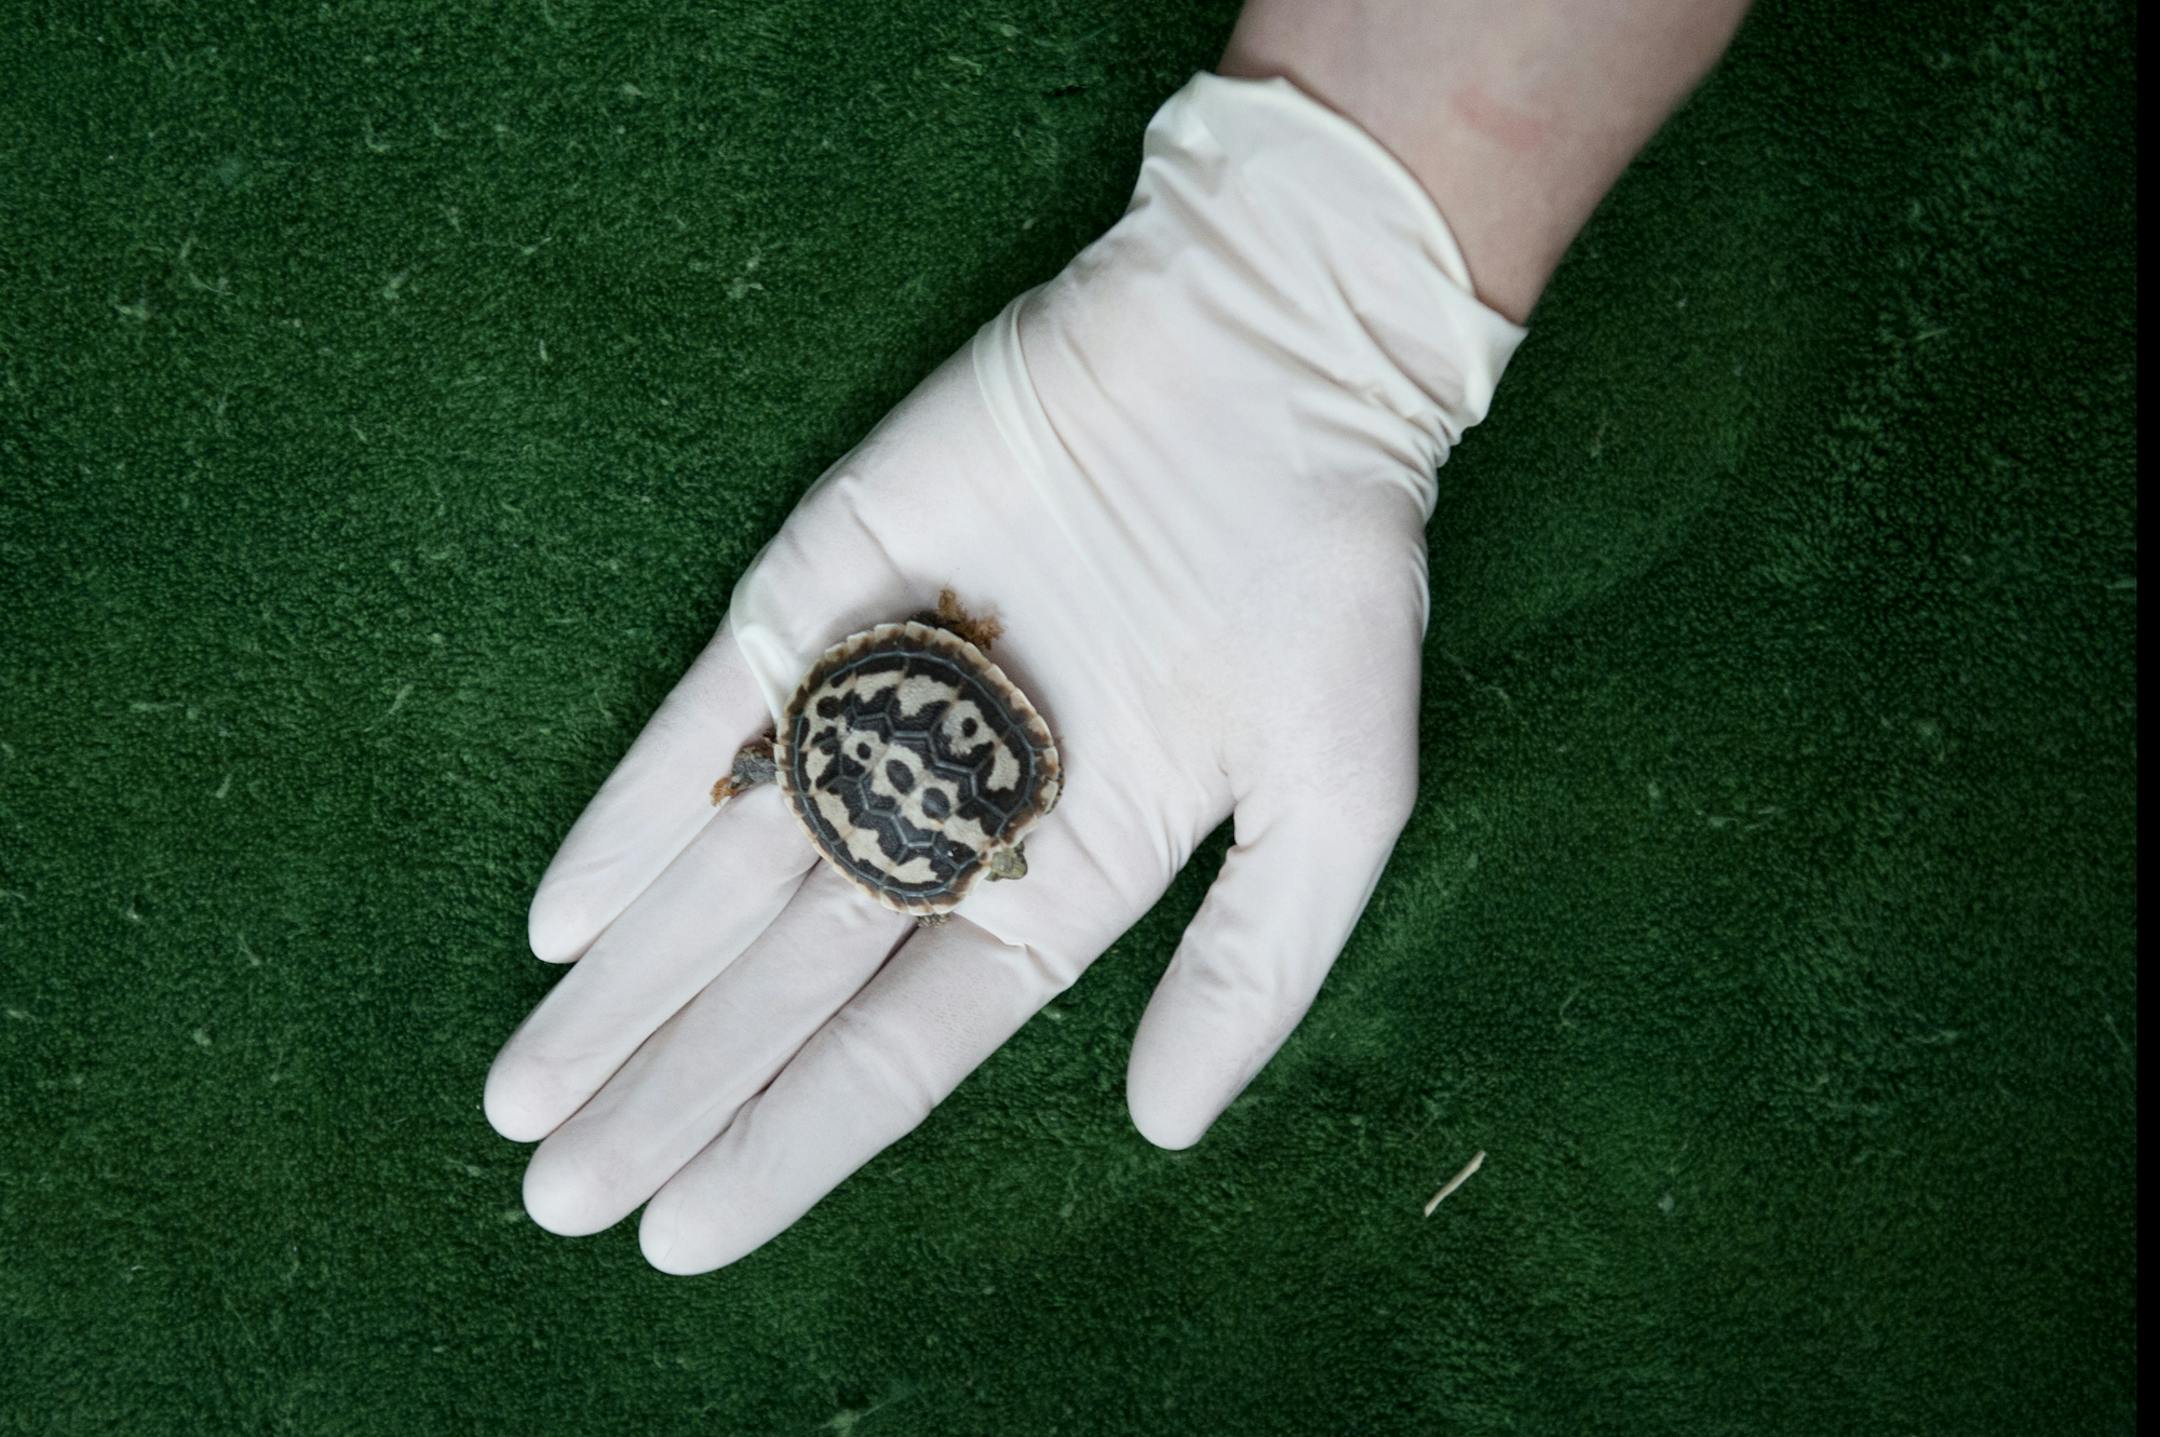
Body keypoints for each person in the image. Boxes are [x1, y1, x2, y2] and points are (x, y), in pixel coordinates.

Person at [484, 0, 1752, 1274]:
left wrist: (1312, 286)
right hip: (903, 726)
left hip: (895, 726)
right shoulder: (954, 767)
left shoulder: (924, 754)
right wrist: (1320, 265)